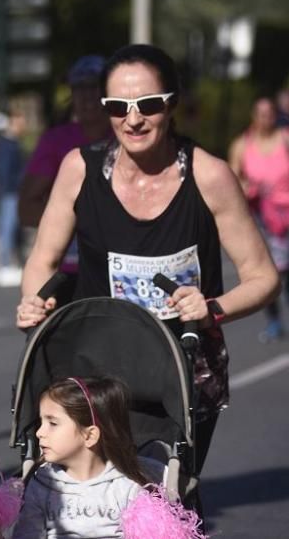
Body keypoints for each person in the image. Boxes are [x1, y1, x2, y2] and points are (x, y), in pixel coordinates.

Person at [16, 43, 279, 517]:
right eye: (118, 107)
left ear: (171, 104)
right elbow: (43, 259)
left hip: (181, 369)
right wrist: (34, 300)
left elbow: (263, 278)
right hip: (97, 363)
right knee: (93, 501)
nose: (133, 119)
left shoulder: (210, 176)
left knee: (160, 499)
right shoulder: (80, 169)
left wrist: (213, 307)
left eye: (148, 105)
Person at [11, 376, 165, 539]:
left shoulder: (127, 487)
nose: (39, 432)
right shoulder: (41, 484)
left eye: (53, 423)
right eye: (41, 422)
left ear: (90, 435)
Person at [18, 55, 111, 298]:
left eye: (95, 87)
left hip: (120, 269)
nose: (88, 96)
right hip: (68, 270)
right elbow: (26, 209)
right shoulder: (56, 141)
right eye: (79, 88)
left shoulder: (130, 137)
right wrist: (79, 221)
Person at [229, 97, 289, 343]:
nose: (266, 118)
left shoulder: (285, 138)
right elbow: (232, 182)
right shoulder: (242, 146)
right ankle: (275, 322)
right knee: (270, 274)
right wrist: (247, 187)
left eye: (270, 113)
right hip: (263, 218)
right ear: (254, 115)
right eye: (261, 114)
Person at [0, 111, 27, 288]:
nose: (23, 126)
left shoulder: (11, 143)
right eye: (20, 121)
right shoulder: (7, 144)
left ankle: (11, 263)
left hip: (12, 191)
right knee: (7, 229)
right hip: (10, 192)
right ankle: (4, 265)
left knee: (13, 229)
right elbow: (6, 171)